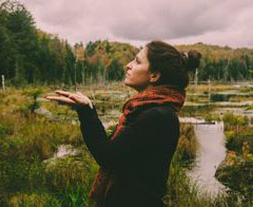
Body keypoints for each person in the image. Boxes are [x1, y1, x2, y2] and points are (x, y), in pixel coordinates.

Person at [46, 40, 202, 207]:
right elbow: (115, 152)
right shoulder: (148, 111)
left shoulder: (157, 116)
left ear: (154, 75)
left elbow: (108, 156)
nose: (128, 65)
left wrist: (87, 111)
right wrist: (87, 109)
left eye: (137, 61)